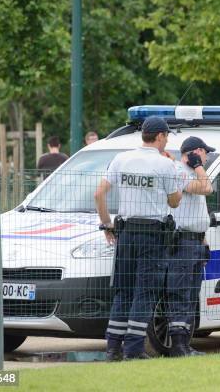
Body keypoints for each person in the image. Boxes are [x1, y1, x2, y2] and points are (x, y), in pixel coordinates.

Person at [94, 116, 182, 361]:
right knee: (145, 292)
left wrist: (106, 225)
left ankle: (112, 349)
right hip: (152, 236)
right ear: (161, 136)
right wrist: (173, 173)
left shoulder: (122, 158)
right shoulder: (165, 165)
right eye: (166, 137)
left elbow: (99, 193)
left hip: (126, 233)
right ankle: (133, 350)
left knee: (124, 291)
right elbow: (174, 201)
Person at [167, 136, 214, 357]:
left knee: (191, 294)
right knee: (181, 293)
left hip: (195, 240)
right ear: (196, 152)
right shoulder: (180, 171)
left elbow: (196, 210)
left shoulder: (192, 172)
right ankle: (178, 345)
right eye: (205, 153)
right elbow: (207, 189)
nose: (207, 157)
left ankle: (186, 344)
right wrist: (198, 166)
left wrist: (203, 239)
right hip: (183, 241)